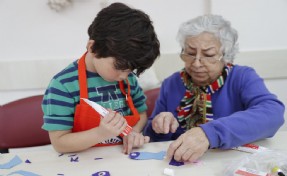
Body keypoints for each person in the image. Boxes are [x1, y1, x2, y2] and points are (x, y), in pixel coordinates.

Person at [143, 14, 285, 162]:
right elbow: (152, 138)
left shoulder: (242, 77)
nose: (196, 63)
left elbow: (272, 113)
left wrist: (210, 133)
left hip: (229, 163)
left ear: (226, 55)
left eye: (209, 55)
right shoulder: (171, 83)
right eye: (190, 53)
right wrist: (158, 126)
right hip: (181, 165)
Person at [42, 2, 160, 154]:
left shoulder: (128, 78)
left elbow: (141, 114)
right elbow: (60, 142)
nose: (124, 76)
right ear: (93, 48)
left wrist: (133, 132)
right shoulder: (63, 86)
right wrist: (101, 133)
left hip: (122, 159)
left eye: (130, 70)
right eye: (119, 67)